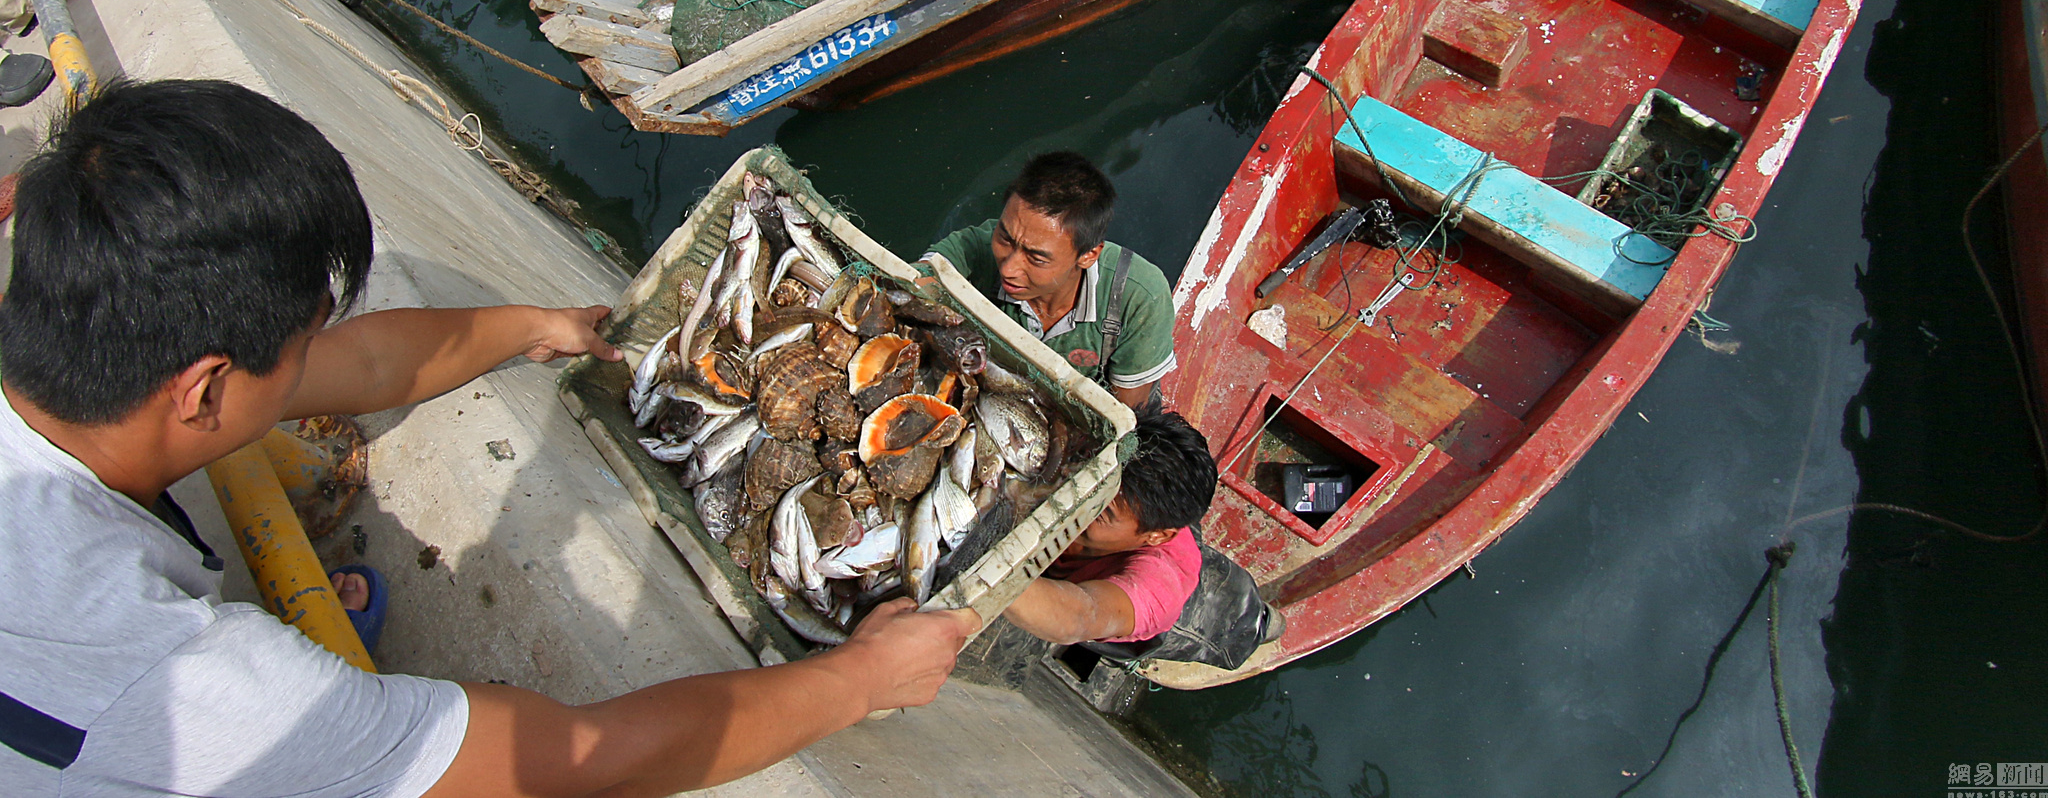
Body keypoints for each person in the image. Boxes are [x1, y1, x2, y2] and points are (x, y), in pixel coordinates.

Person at [0, 78, 975, 797]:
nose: (314, 364)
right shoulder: (185, 682)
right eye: (297, 350)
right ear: (203, 388)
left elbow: (367, 369)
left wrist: (534, 329)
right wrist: (856, 680)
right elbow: (564, 764)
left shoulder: (70, 362)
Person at [922, 151, 1174, 408]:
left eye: (1036, 258)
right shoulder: (975, 248)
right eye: (1005, 238)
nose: (1009, 268)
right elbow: (912, 280)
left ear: (1088, 255)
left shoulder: (1139, 297)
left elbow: (1125, 416)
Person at [1002, 403, 1214, 646]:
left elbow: (1081, 617)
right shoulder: (1106, 449)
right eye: (1084, 484)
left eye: (1103, 511)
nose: (1076, 502)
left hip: (1162, 615)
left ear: (1157, 536)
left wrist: (984, 569)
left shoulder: (1157, 588)